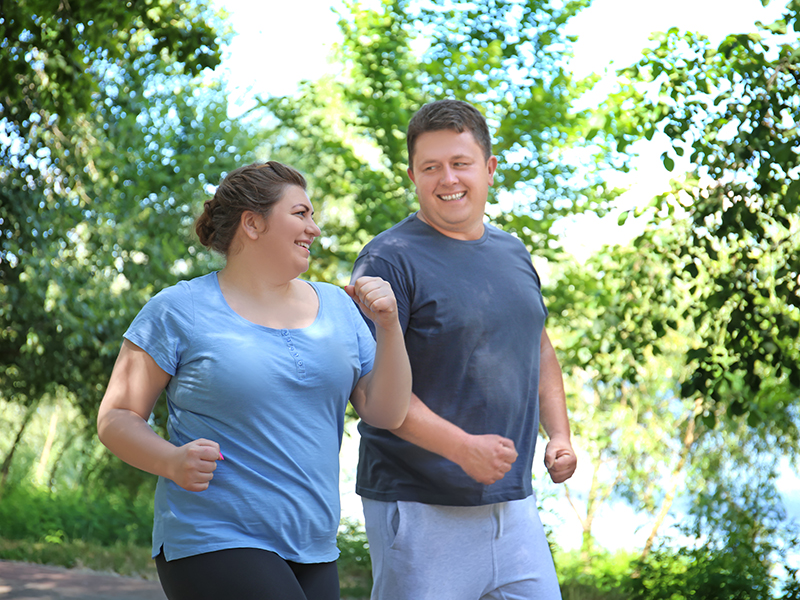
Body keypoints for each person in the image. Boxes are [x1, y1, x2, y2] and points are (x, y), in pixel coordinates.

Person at [97, 161, 411, 600]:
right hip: (212, 536)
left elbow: (388, 411)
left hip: (314, 544)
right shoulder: (179, 309)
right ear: (253, 223)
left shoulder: (339, 307)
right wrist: (170, 461)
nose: (315, 229)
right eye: (301, 214)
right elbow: (117, 417)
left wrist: (390, 325)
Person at [350, 99, 578, 600]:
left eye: (460, 163)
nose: (446, 178)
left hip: (514, 506)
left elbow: (538, 349)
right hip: (419, 506)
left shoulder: (513, 253)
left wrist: (558, 435)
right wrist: (461, 448)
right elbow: (371, 392)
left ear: (489, 169)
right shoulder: (387, 259)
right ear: (413, 175)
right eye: (431, 167)